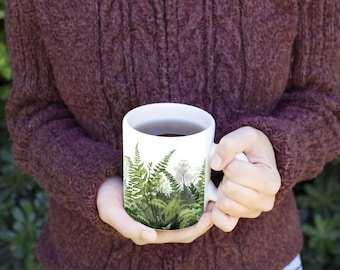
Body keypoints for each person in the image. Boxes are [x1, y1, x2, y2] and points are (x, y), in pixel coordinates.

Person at [5, 0, 340, 269]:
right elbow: (34, 112)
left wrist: (276, 153)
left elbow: (325, 101)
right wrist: (93, 183)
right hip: (84, 258)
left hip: (261, 258)